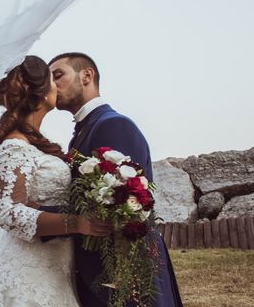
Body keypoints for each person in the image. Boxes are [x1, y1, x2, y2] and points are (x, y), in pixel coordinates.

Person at [0, 55, 112, 307]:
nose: (57, 86)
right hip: (27, 270)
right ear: (39, 91)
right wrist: (78, 222)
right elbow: (9, 213)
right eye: (53, 79)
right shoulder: (14, 147)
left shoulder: (35, 145)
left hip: (55, 266)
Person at [49, 52, 183, 307]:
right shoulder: (83, 130)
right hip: (102, 271)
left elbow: (121, 204)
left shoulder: (113, 125)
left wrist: (37, 218)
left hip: (127, 273)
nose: (53, 85)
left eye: (58, 75)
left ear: (87, 75)